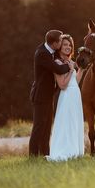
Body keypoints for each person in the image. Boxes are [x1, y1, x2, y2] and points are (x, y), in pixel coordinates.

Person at [29, 30, 71, 157]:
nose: (62, 43)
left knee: (47, 127)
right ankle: (33, 155)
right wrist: (71, 66)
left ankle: (45, 154)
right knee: (39, 127)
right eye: (60, 41)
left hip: (48, 95)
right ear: (55, 43)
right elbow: (57, 69)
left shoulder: (49, 51)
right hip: (41, 96)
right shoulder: (42, 54)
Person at [46, 34, 84, 162]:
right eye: (65, 44)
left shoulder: (72, 62)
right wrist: (70, 70)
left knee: (74, 123)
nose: (68, 47)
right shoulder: (57, 63)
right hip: (66, 97)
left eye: (70, 45)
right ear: (60, 47)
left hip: (75, 95)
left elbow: (75, 82)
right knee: (66, 124)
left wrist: (81, 70)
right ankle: (65, 150)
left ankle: (75, 151)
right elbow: (62, 85)